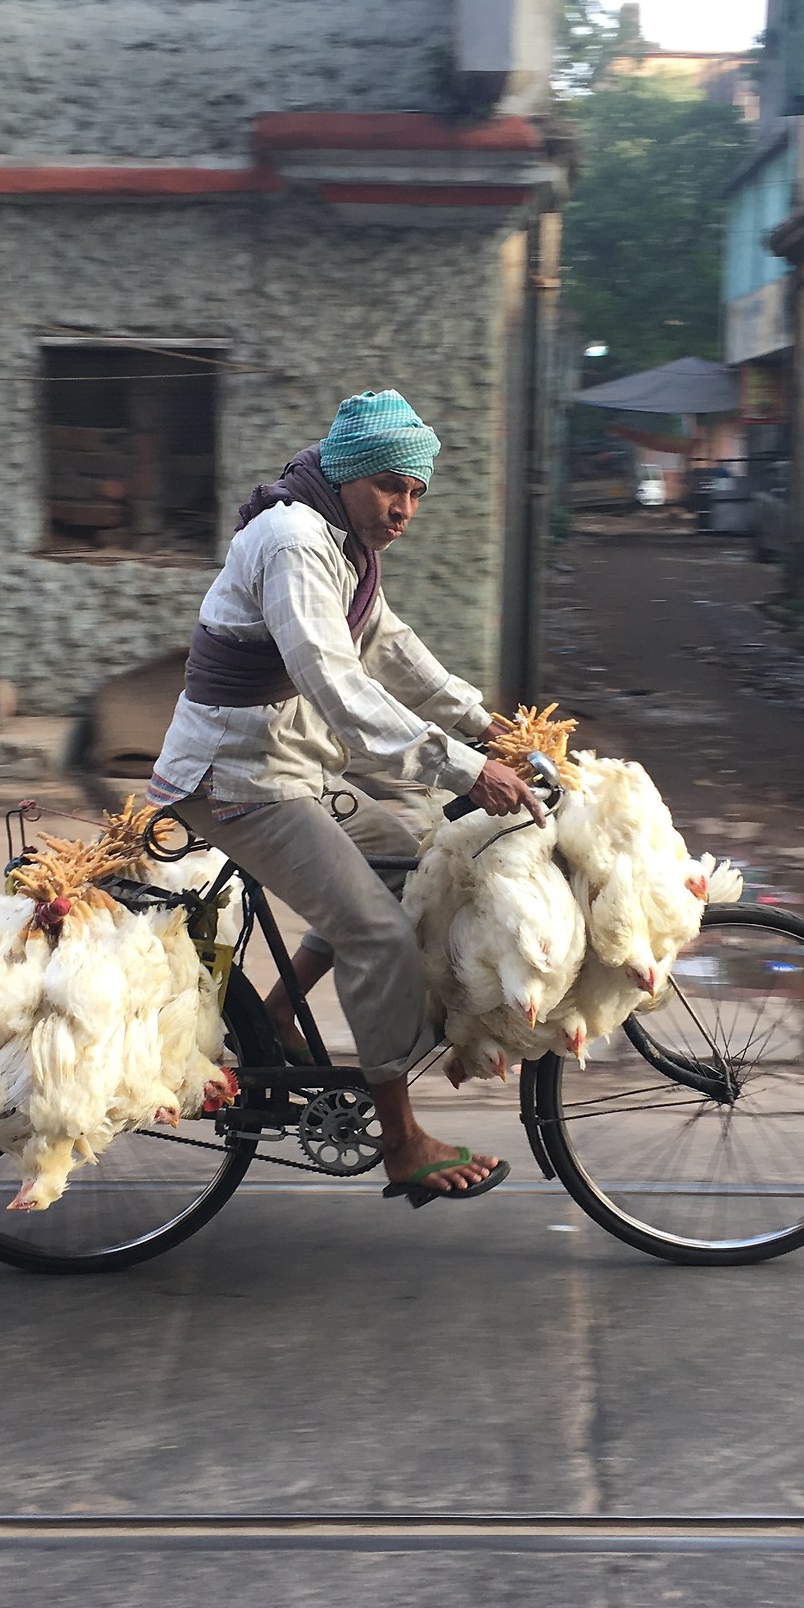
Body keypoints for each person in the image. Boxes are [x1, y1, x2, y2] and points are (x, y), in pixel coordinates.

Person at [147, 390, 544, 1204]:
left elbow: (390, 649)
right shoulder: (295, 540)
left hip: (284, 766)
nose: (403, 509)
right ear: (349, 474)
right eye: (391, 487)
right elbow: (339, 688)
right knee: (379, 936)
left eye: (417, 493)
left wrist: (488, 724)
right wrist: (467, 769)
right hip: (235, 780)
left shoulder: (346, 542)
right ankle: (401, 1141)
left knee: (408, 863)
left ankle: (277, 1022)